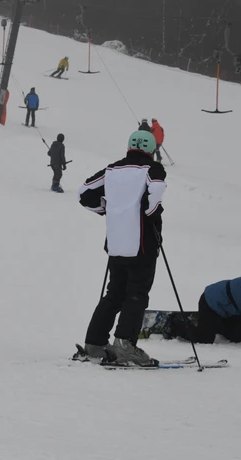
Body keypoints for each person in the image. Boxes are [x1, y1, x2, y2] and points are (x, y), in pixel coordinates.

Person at [79, 130, 166, 366]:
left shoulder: (112, 169)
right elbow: (156, 190)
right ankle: (125, 345)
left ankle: (95, 344)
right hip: (143, 245)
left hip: (117, 243)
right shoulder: (152, 168)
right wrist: (148, 211)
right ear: (151, 149)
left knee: (115, 293)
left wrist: (107, 209)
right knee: (137, 294)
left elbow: (85, 192)